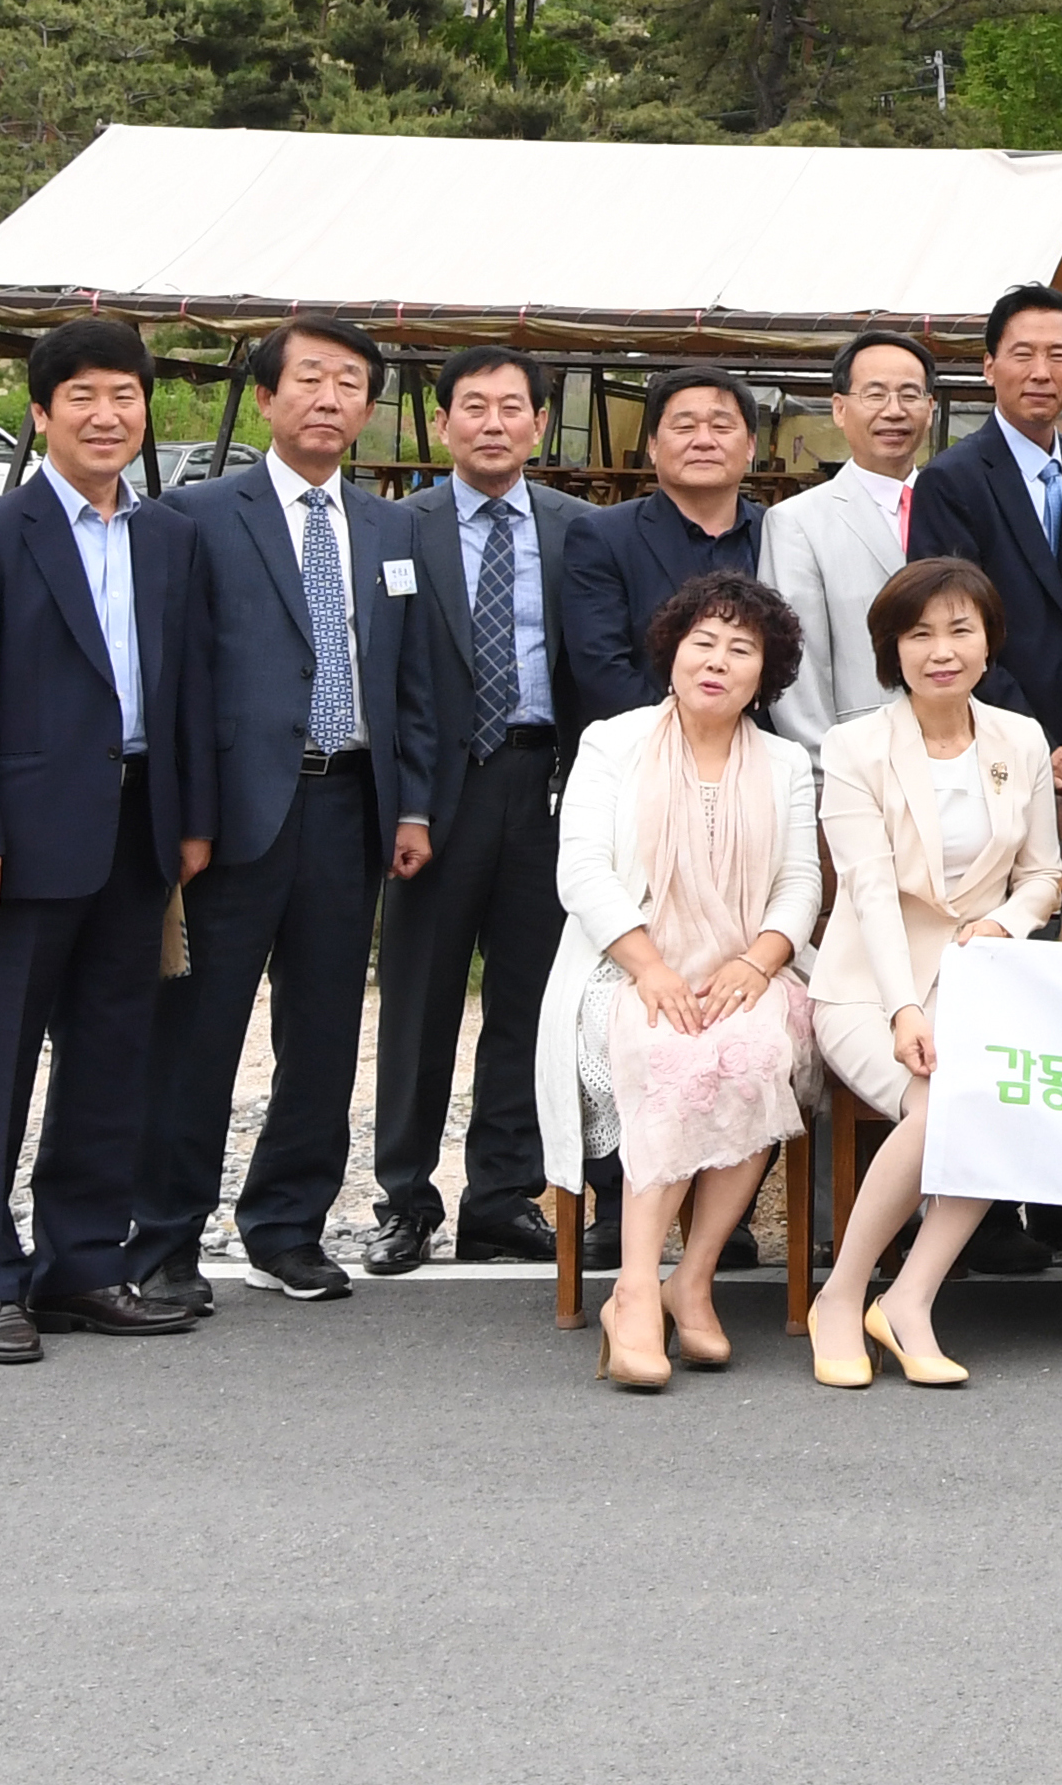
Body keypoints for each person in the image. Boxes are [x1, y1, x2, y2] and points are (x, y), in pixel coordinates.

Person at [0, 317, 211, 1363]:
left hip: (137, 836)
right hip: (15, 847)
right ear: (41, 414)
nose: (106, 414)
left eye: (124, 395)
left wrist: (191, 824)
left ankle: (83, 1263)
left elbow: (183, 695)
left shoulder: (169, 536)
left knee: (110, 1064)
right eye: (82, 395)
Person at [131, 312, 425, 1310]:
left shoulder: (393, 526)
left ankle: (286, 1227)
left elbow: (410, 683)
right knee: (197, 1030)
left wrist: (412, 807)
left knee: (325, 1032)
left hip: (350, 808)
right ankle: (163, 1237)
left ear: (370, 408)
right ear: (265, 396)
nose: (329, 397)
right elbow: (168, 682)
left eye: (350, 382)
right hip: (231, 817)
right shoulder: (200, 515)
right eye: (308, 378)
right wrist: (181, 816)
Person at [533, 571, 823, 1392]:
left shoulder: (785, 762)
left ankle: (689, 1279)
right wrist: (651, 967)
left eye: (741, 649)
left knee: (757, 1050)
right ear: (671, 654)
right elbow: (582, 870)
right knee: (671, 1057)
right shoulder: (611, 742)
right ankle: (632, 1291)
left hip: (746, 967)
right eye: (703, 643)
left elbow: (800, 884)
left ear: (764, 674)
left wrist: (757, 960)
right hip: (625, 966)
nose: (718, 662)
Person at [803, 557, 1060, 1391]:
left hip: (983, 981)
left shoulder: (1018, 738)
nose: (941, 650)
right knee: (947, 1097)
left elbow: (1043, 875)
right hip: (869, 986)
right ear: (892, 650)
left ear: (989, 642)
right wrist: (905, 1009)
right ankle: (842, 1297)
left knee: (990, 1092)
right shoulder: (854, 746)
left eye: (960, 630)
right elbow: (870, 892)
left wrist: (1007, 920)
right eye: (919, 634)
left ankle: (908, 1298)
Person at [370, 343, 592, 1275]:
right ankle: (405, 1199)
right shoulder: (397, 529)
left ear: (539, 424)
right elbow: (388, 679)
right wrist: (405, 805)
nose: (492, 423)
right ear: (447, 423)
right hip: (437, 791)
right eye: (473, 407)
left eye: (511, 408)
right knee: (419, 1000)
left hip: (545, 786)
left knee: (531, 1005)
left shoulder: (584, 531)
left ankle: (502, 1196)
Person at [912, 285, 1062, 761]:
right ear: (989, 366)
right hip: (1001, 738)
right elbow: (951, 629)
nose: (1040, 373)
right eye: (1022, 354)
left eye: (1059, 355)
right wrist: (1033, 742)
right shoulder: (952, 480)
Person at [564, 364, 769, 724]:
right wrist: (695, 737)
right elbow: (602, 667)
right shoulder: (602, 536)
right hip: (643, 752)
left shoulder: (779, 532)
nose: (704, 440)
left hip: (763, 753)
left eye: (721, 427)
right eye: (685, 426)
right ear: (654, 447)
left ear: (751, 445)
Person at [765, 330, 935, 751]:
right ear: (839, 409)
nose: (894, 411)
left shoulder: (959, 504)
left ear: (930, 408)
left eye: (910, 395)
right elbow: (799, 667)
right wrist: (828, 770)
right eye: (874, 395)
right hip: (861, 760)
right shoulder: (797, 522)